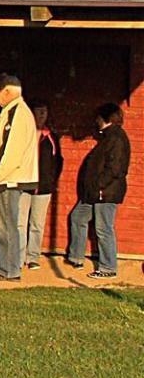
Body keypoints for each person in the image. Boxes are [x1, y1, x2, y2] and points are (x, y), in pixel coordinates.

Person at [0, 73, 38, 281]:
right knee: (1, 227)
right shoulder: (10, 111)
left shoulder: (17, 113)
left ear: (7, 91)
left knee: (6, 227)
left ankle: (9, 270)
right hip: (4, 179)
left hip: (8, 179)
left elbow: (11, 152)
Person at [67, 102, 130, 280]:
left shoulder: (116, 138)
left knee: (103, 228)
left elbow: (115, 169)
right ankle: (76, 257)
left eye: (98, 118)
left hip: (104, 192)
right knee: (78, 217)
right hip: (95, 192)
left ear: (105, 118)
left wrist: (99, 185)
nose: (96, 121)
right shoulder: (110, 137)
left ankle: (108, 268)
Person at [20, 98, 63, 269]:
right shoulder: (25, 134)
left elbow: (58, 161)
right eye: (39, 111)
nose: (42, 115)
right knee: (20, 223)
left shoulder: (51, 136)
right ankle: (18, 257)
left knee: (37, 224)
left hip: (44, 187)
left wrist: (51, 180)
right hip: (24, 184)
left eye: (44, 112)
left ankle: (33, 256)